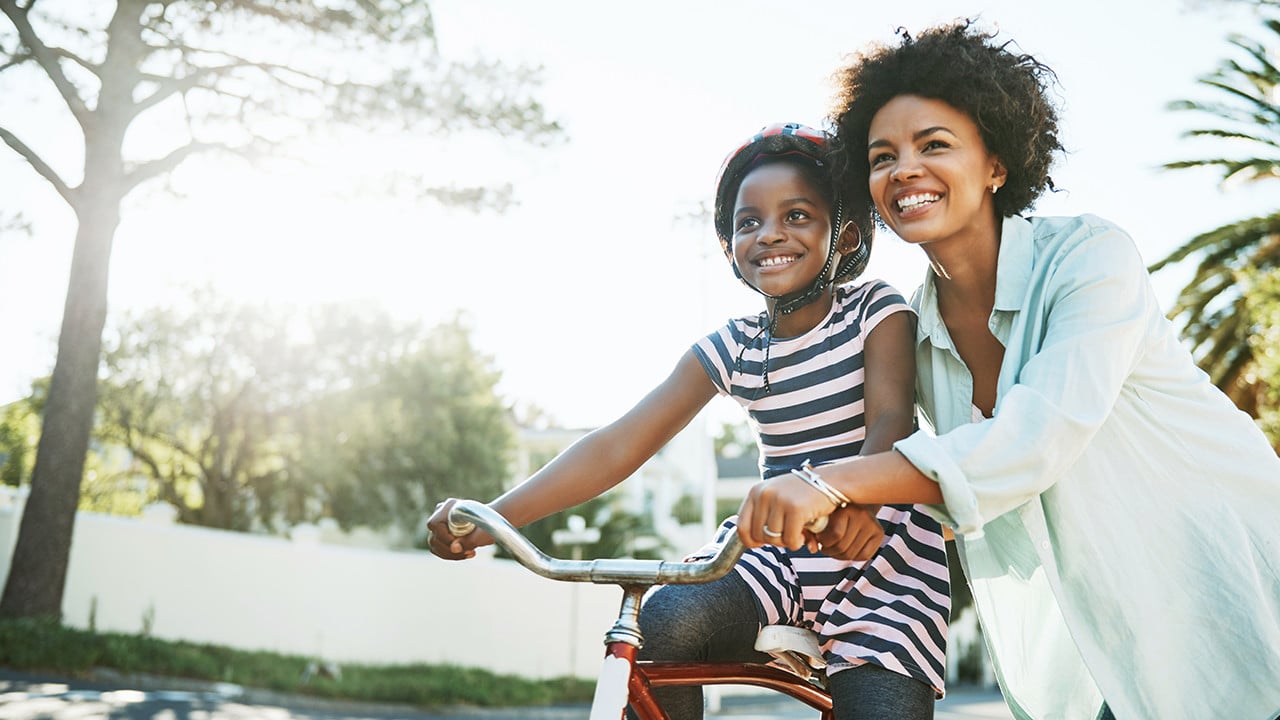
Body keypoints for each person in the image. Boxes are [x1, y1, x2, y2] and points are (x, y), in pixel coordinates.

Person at [735, 21, 1280, 720]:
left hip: (1239, 581)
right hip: (1111, 641)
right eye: (881, 157)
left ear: (996, 164)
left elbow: (1032, 443)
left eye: (934, 145)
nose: (904, 170)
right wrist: (860, 508)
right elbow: (948, 480)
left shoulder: (1090, 259)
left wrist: (828, 484)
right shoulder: (913, 331)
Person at [427, 123, 949, 719]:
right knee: (666, 621)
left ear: (844, 234)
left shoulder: (875, 309)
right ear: (730, 247)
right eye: (747, 222)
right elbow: (619, 444)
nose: (769, 233)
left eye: (797, 215)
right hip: (776, 557)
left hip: (882, 562)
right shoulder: (734, 347)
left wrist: (857, 504)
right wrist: (494, 518)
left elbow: (892, 420)